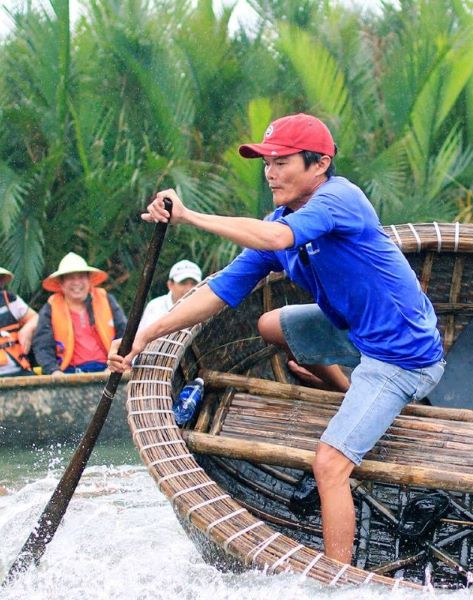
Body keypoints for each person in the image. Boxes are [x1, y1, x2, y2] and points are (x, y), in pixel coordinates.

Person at [108, 113, 445, 565]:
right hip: (357, 334)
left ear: (319, 163)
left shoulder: (340, 198)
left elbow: (277, 236)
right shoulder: (281, 219)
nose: (270, 172)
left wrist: (188, 215)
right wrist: (144, 335)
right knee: (269, 325)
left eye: (281, 161)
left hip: (404, 357)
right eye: (266, 162)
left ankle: (337, 582)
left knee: (328, 465)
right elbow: (219, 290)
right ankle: (350, 393)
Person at [33, 252, 126, 374]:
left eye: (81, 277)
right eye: (70, 278)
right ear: (61, 283)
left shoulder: (107, 300)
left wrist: (115, 365)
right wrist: (53, 371)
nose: (76, 283)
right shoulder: (50, 308)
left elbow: (125, 333)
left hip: (108, 369)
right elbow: (42, 346)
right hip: (69, 373)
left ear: (89, 280)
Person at [137, 259, 203, 332]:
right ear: (170, 285)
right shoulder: (155, 307)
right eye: (183, 283)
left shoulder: (206, 308)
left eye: (194, 283)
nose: (189, 289)